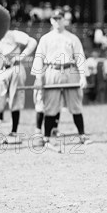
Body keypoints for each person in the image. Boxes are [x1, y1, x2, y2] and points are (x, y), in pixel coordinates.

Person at [30, 9, 89, 150]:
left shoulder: (72, 38)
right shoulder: (46, 38)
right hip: (52, 71)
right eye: (54, 19)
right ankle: (48, 138)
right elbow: (39, 58)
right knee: (50, 106)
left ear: (64, 20)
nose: (57, 21)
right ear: (51, 20)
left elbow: (80, 57)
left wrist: (83, 76)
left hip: (70, 70)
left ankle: (82, 135)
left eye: (59, 18)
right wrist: (38, 78)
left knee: (75, 105)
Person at [0, 29, 37, 142]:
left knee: (15, 100)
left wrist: (21, 56)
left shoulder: (13, 33)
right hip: (0, 70)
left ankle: (14, 132)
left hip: (15, 68)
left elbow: (32, 42)